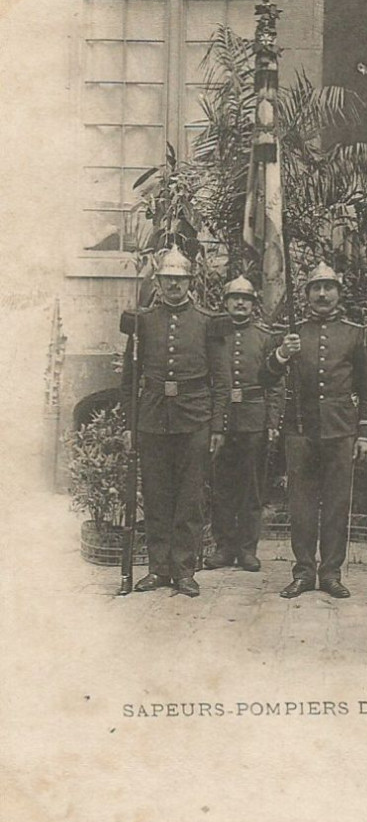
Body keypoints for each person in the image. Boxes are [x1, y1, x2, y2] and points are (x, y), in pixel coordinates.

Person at [120, 245, 229, 597]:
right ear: (159, 281)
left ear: (190, 282)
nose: (173, 286)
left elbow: (222, 381)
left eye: (180, 280)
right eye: (168, 279)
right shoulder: (144, 322)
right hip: (152, 418)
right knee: (155, 496)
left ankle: (184, 570)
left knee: (189, 497)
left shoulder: (208, 322)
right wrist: (129, 424)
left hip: (194, 418)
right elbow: (129, 377)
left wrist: (217, 426)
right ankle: (158, 569)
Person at [269, 262, 367, 600]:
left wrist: (364, 433)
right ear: (306, 295)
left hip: (340, 429)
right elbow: (265, 376)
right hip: (300, 430)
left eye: (329, 288)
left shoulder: (353, 333)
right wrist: (282, 354)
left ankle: (330, 573)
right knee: (300, 505)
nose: (322, 294)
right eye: (316, 288)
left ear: (338, 294)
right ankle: (303, 572)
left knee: (336, 504)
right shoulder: (293, 332)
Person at [204, 275, 292, 573]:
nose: (240, 303)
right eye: (234, 298)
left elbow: (276, 384)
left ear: (254, 305)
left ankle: (248, 549)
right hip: (222, 419)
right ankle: (224, 547)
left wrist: (273, 421)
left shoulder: (265, 336)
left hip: (254, 418)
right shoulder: (215, 335)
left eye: (246, 299)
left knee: (252, 487)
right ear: (226, 302)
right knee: (221, 486)